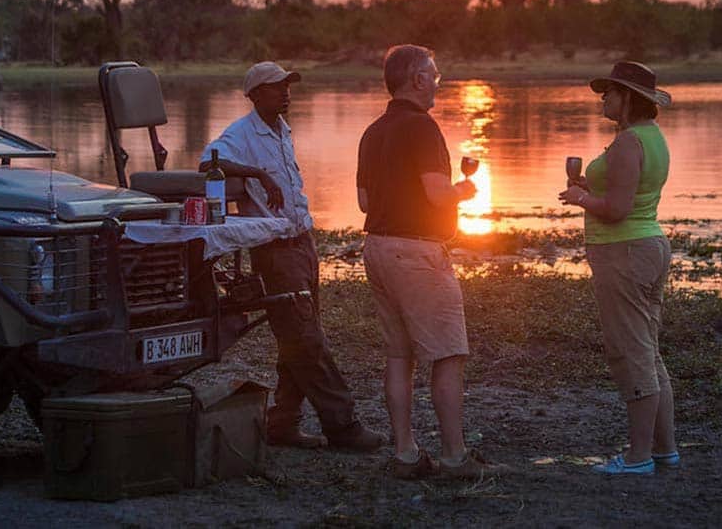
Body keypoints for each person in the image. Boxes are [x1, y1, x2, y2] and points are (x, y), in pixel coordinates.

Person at [201, 61, 385, 452]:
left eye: (287, 85)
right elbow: (208, 161)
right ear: (254, 95)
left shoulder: (282, 129)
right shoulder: (241, 133)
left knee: (297, 336)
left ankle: (282, 423)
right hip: (275, 249)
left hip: (302, 241)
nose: (285, 92)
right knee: (305, 338)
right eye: (274, 87)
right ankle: (343, 425)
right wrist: (257, 174)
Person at [356, 44, 508, 480]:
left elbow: (365, 201)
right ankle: (455, 457)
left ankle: (405, 453)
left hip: (378, 250)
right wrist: (463, 191)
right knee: (447, 355)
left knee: (400, 355)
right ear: (417, 79)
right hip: (417, 254)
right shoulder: (422, 127)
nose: (439, 80)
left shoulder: (373, 131)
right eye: (435, 74)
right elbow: (438, 195)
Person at [558, 61, 678, 475]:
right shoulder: (651, 137)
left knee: (631, 352)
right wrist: (594, 191)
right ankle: (664, 450)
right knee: (647, 350)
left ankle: (638, 457)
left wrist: (580, 199)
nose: (603, 99)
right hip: (644, 245)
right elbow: (630, 194)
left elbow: (617, 210)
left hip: (626, 250)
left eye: (609, 92)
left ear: (627, 97)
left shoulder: (629, 142)